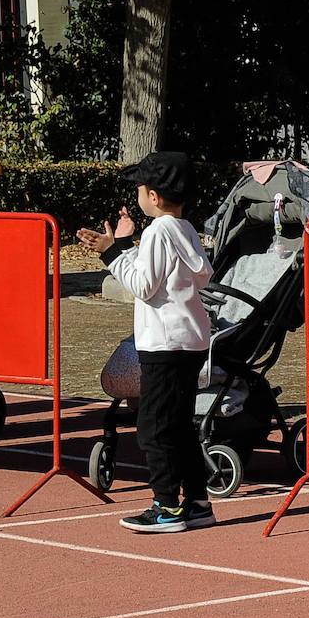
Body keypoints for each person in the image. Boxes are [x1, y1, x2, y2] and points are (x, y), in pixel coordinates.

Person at [77, 151, 216, 533]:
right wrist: (123, 246)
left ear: (154, 196)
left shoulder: (157, 231)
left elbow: (141, 285)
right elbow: (174, 275)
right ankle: (198, 503)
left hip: (164, 346)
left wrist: (111, 252)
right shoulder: (184, 229)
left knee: (154, 427)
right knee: (180, 425)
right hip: (188, 341)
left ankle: (167, 506)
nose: (136, 193)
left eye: (139, 186)